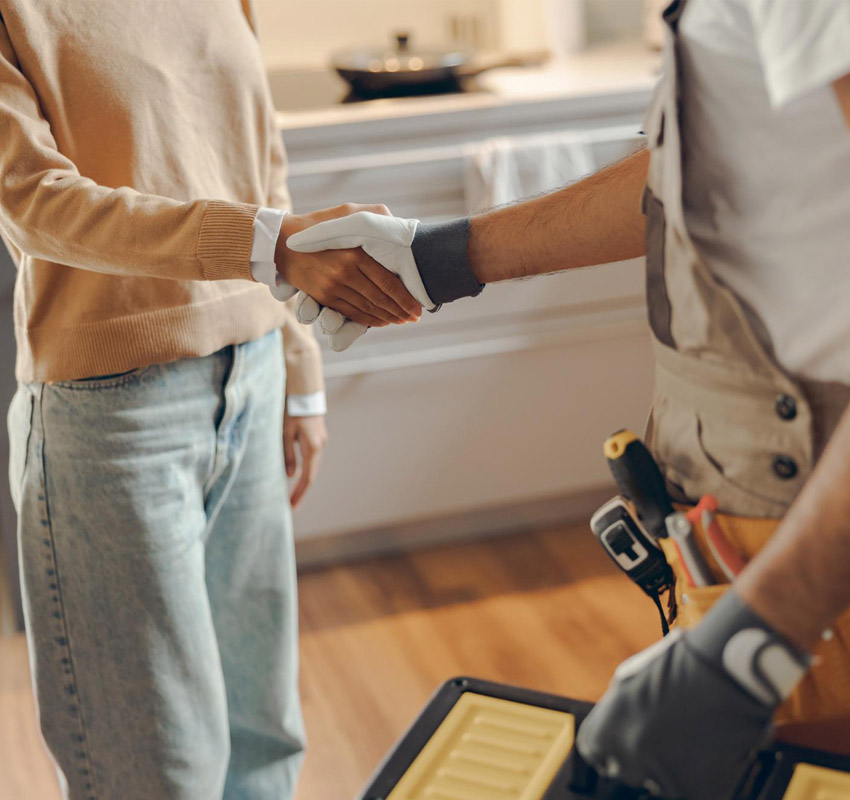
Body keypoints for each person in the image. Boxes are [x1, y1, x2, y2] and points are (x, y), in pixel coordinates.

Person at [284, 0, 850, 795]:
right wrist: (443, 259)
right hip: (748, 529)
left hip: (816, 559)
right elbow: (697, 174)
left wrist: (754, 641)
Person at [0, 2, 420, 799]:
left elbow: (263, 167)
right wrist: (267, 246)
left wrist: (299, 374)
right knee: (156, 772)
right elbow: (31, 203)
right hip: (111, 419)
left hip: (253, 374)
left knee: (264, 743)